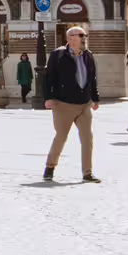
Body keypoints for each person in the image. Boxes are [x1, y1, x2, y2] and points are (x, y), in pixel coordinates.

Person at [40, 25, 101, 183]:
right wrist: (48, 98)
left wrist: (95, 98)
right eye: (81, 35)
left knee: (88, 138)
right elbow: (48, 78)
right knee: (61, 137)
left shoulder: (88, 55)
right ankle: (50, 168)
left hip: (84, 104)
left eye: (84, 35)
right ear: (71, 38)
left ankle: (87, 172)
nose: (84, 38)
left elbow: (92, 78)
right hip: (63, 104)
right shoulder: (58, 55)